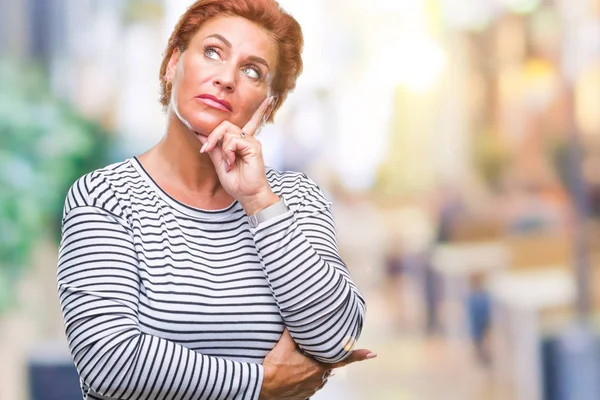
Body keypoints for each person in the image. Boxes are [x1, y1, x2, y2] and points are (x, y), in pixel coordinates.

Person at [56, 1, 374, 399]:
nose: (226, 79)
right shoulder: (104, 197)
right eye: (212, 52)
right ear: (173, 64)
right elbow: (109, 360)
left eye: (252, 71)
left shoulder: (295, 198)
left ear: (268, 104)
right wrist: (261, 383)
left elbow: (336, 337)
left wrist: (258, 199)